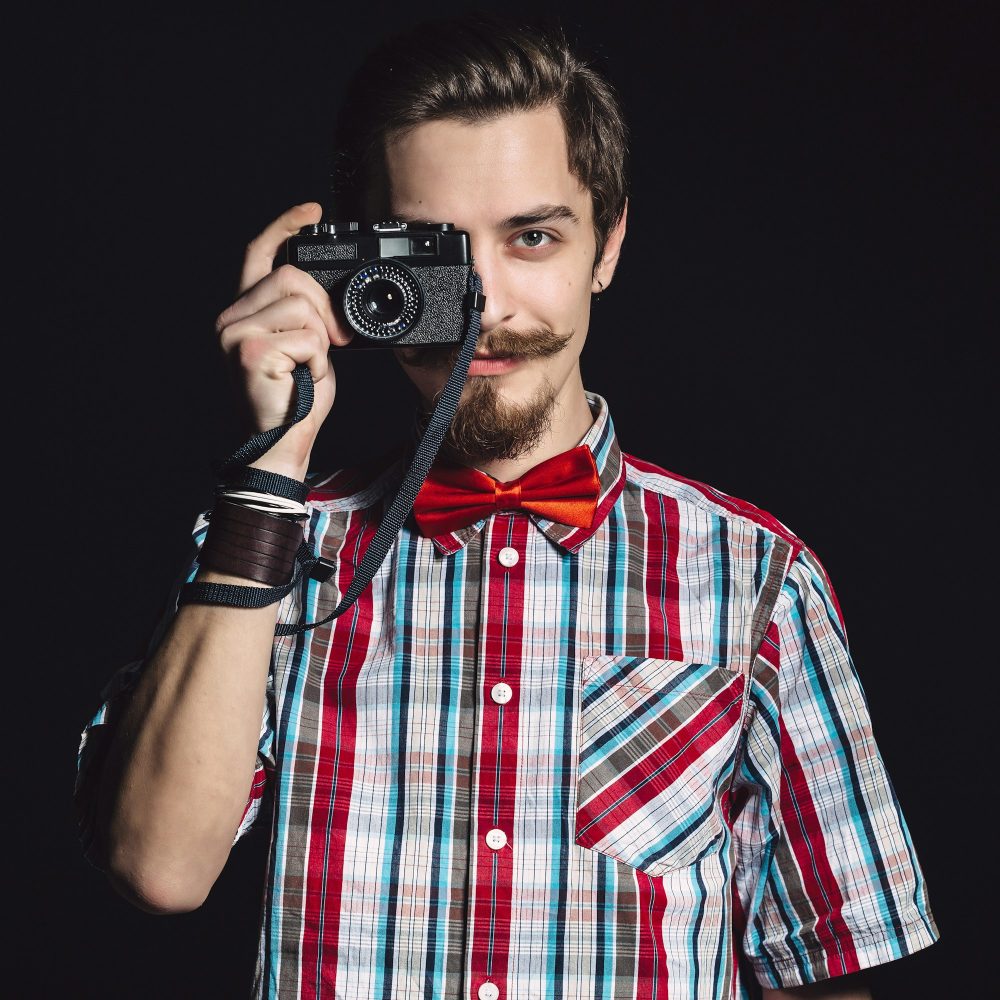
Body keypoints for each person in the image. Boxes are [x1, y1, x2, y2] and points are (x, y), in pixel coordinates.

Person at [75, 12, 938, 1000]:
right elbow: (157, 866)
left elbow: (824, 976)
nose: (486, 305)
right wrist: (271, 465)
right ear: (362, 264)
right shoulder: (269, 544)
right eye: (437, 253)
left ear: (605, 247)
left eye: (531, 237)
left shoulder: (758, 576)